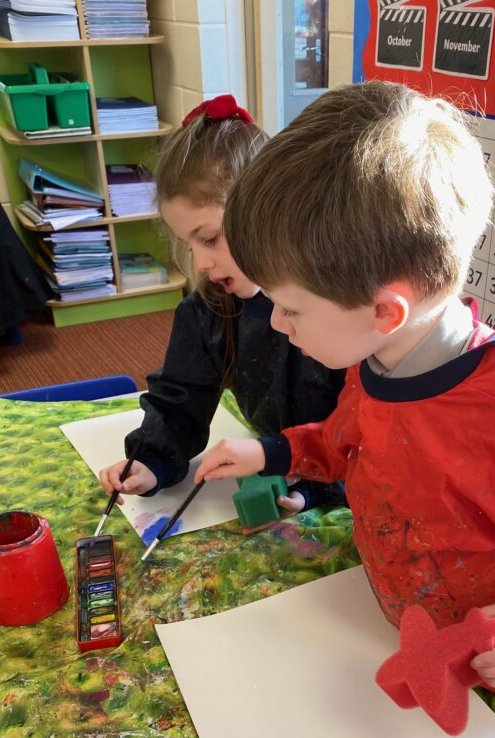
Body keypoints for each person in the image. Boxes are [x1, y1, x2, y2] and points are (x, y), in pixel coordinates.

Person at [195, 81, 495, 738]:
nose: (275, 323)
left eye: (291, 308)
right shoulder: (379, 356)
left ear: (384, 309)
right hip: (406, 632)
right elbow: (349, 439)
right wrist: (271, 453)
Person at [99, 94, 345, 514]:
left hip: (341, 478)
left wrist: (318, 488)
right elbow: (180, 399)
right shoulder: (210, 310)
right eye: (189, 243)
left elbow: (366, 430)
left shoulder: (335, 305)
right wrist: (152, 460)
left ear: (267, 210)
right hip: (276, 463)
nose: (200, 261)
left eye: (210, 238)